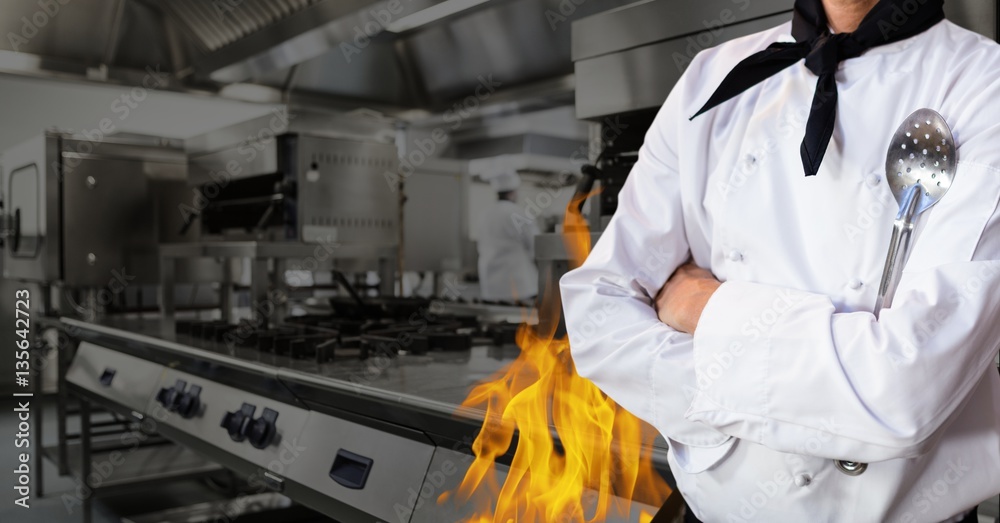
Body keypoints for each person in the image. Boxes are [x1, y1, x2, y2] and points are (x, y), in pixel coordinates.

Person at [560, 0, 1000, 521]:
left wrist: (708, 311)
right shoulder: (712, 75)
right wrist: (816, 406)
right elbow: (597, 313)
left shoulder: (984, 81)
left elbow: (903, 394)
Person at [477, 170, 540, 302]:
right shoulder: (518, 212)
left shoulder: (485, 214)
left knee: (497, 318)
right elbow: (535, 243)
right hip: (519, 282)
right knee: (520, 318)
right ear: (513, 193)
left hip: (490, 283)